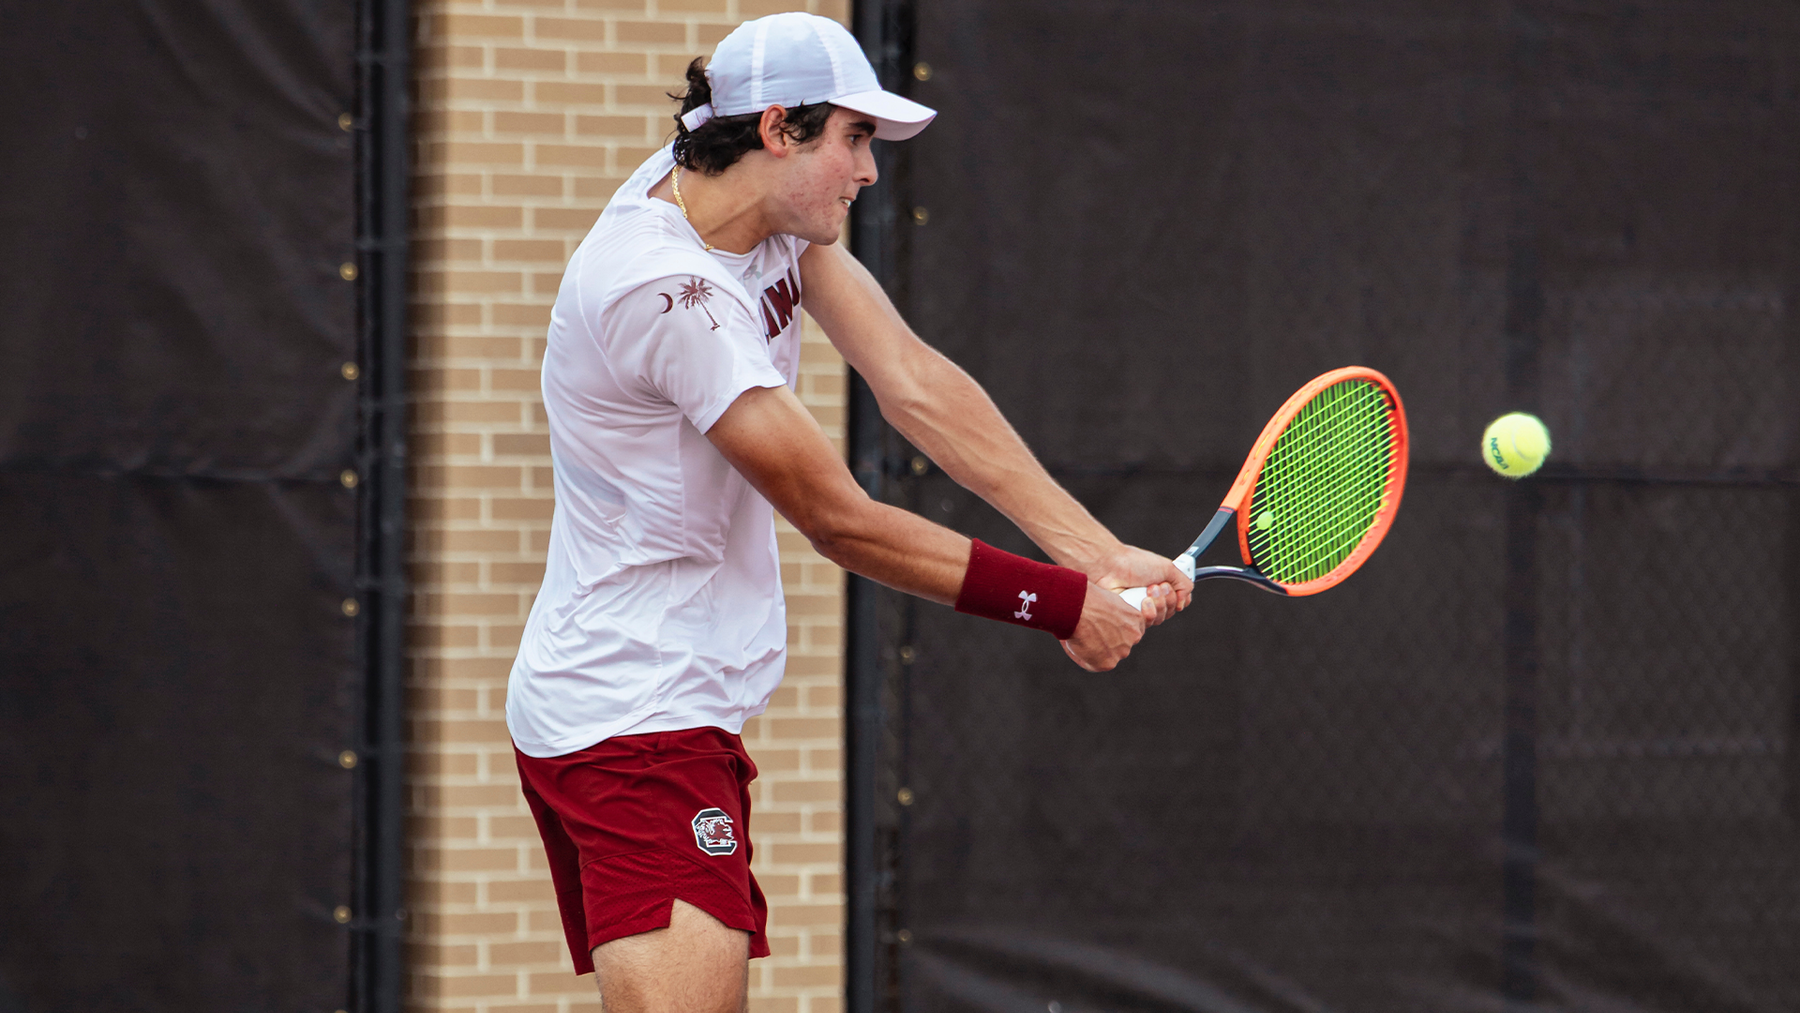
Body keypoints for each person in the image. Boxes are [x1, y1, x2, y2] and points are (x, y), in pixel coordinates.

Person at [504, 13, 1193, 1013]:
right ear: (779, 128)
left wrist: (1096, 550)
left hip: (658, 704)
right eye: (855, 139)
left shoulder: (741, 194)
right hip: (635, 717)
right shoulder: (663, 291)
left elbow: (912, 380)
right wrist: (1061, 603)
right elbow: (841, 518)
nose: (869, 171)